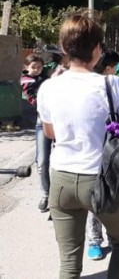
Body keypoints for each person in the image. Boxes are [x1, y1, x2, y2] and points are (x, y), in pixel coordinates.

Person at [37, 11, 119, 278]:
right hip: (102, 180)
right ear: (97, 49)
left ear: (63, 48)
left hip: (61, 179)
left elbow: (49, 133)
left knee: (69, 264)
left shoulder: (48, 88)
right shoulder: (111, 85)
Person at [20, 54, 51, 213]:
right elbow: (34, 100)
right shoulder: (27, 82)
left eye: (39, 67)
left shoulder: (48, 78)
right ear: (26, 67)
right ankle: (46, 194)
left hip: (61, 121)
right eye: (33, 67)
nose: (37, 70)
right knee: (42, 161)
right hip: (43, 122)